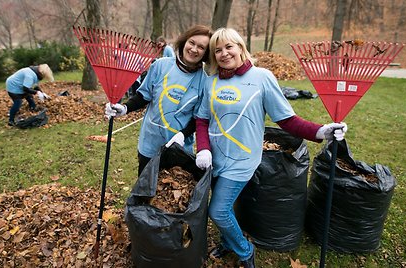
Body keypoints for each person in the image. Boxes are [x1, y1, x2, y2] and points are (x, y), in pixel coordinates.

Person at [193, 28, 348, 268]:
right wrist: (203, 148)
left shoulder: (262, 77)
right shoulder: (211, 81)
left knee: (219, 210)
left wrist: (320, 131)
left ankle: (245, 251)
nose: (224, 53)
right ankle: (227, 241)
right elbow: (202, 119)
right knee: (225, 205)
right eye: (218, 50)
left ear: (241, 47)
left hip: (242, 160)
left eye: (229, 47)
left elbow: (286, 120)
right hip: (213, 158)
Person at [105, 25, 213, 176]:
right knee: (144, 192)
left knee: (171, 195)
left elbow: (198, 118)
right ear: (184, 42)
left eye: (201, 47)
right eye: (192, 42)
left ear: (206, 53)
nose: (194, 49)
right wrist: (125, 108)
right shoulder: (161, 66)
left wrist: (182, 135)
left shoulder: (205, 82)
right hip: (150, 143)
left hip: (179, 149)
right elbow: (144, 96)